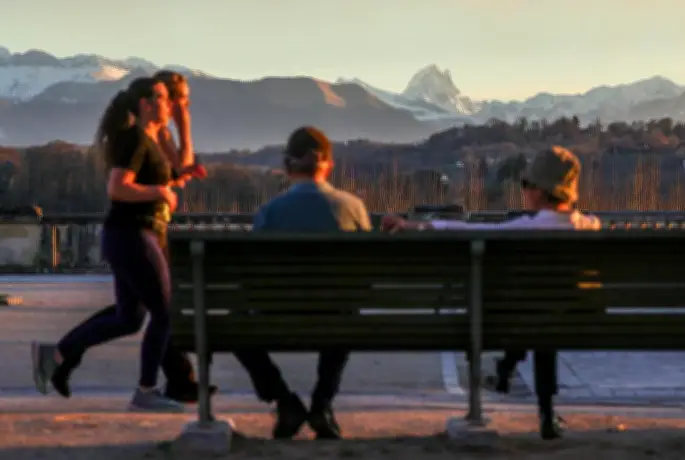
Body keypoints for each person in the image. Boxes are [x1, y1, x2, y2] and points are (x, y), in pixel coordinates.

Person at [381, 145, 601, 440]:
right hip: (583, 322)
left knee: (535, 311)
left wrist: (411, 225)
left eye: (526, 185)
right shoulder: (591, 227)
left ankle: (507, 372)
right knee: (547, 315)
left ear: (537, 191)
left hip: (513, 324)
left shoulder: (522, 229)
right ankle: (544, 411)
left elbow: (457, 229)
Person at [31, 71, 216, 404]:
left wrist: (179, 176)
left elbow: (155, 179)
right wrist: (160, 189)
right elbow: (117, 188)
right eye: (163, 98)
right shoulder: (133, 139)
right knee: (164, 312)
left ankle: (57, 355)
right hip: (133, 234)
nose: (170, 104)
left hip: (135, 235)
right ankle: (146, 391)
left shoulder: (148, 139)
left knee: (129, 318)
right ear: (146, 105)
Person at [231, 126, 371, 440]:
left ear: (287, 166)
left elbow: (252, 276)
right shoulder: (354, 208)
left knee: (234, 326)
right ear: (329, 165)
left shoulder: (271, 211)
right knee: (346, 311)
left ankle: (284, 400)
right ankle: (322, 403)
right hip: (337, 318)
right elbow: (363, 278)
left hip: (277, 315)